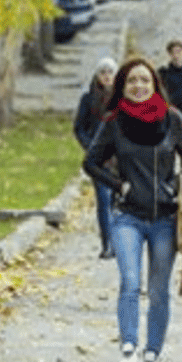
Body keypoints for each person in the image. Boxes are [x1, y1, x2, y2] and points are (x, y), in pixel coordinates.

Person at [83, 58, 182, 362]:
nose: (139, 86)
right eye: (132, 81)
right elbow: (90, 162)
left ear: (154, 85)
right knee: (130, 283)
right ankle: (129, 351)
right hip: (128, 217)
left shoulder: (172, 119)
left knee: (159, 291)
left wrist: (178, 182)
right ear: (123, 85)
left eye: (145, 81)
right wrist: (119, 185)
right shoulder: (114, 122)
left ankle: (151, 359)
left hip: (165, 218)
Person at [74, 57, 119, 260]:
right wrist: (90, 146)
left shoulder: (122, 100)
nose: (107, 76)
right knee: (103, 200)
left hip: (119, 159)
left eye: (110, 73)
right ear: (97, 76)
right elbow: (79, 128)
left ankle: (118, 242)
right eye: (103, 72)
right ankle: (107, 244)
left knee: (116, 203)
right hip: (98, 159)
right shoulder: (88, 99)